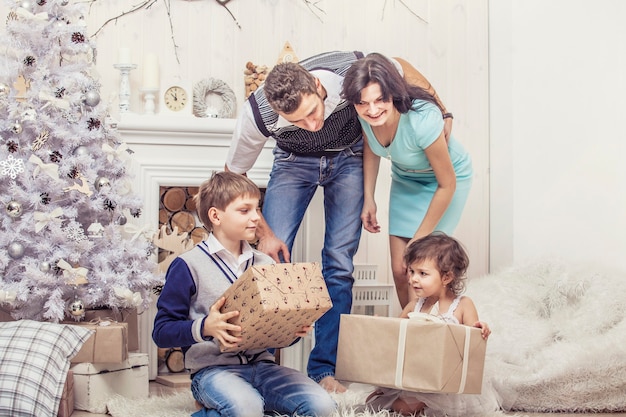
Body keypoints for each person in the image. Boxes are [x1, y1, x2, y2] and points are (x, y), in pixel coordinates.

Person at [225, 50, 452, 393]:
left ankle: (324, 369)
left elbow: (400, 66)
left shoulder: (348, 69)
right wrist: (266, 234)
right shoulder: (257, 114)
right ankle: (260, 368)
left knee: (339, 264)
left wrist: (443, 109)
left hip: (347, 159)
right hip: (292, 162)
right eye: (298, 121)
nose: (313, 125)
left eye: (314, 111)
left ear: (318, 85)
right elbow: (235, 175)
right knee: (266, 265)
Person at [152, 171, 336, 417]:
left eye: (257, 209)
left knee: (323, 407)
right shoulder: (188, 265)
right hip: (212, 372)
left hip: (264, 368)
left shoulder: (265, 264)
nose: (256, 218)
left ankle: (231, 409)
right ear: (215, 215)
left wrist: (293, 331)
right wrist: (206, 327)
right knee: (247, 408)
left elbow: (274, 334)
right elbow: (161, 332)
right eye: (244, 210)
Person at [341, 52, 473, 309]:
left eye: (381, 100)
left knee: (424, 267)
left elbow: (448, 184)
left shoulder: (421, 120)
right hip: (405, 181)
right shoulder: (364, 114)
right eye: (363, 103)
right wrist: (369, 197)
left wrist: (418, 239)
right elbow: (370, 145)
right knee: (401, 270)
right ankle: (410, 334)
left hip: (445, 183)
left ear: (392, 93)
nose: (373, 109)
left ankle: (433, 331)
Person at [363, 232, 498, 416]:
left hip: (444, 381)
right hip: (415, 376)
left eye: (422, 273)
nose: (413, 279)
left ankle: (415, 405)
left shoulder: (462, 305)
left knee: (405, 408)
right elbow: (394, 336)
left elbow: (471, 342)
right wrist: (379, 327)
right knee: (372, 400)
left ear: (446, 277)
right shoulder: (414, 306)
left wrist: (480, 328)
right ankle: (404, 401)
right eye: (411, 271)